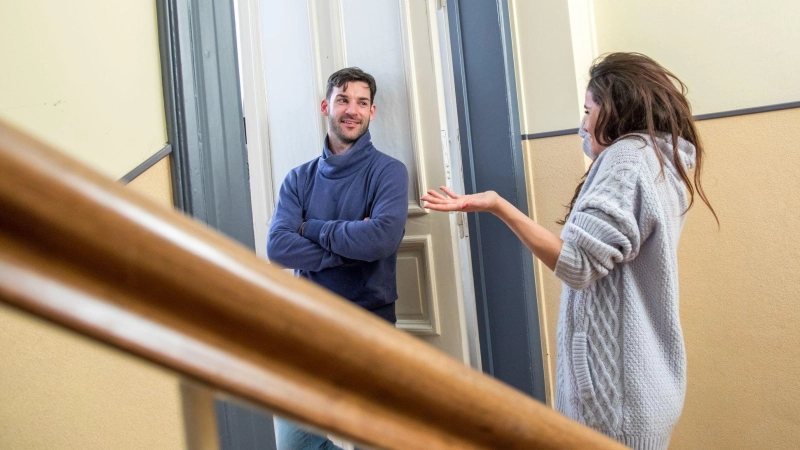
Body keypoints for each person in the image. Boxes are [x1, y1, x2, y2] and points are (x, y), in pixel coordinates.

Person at [422, 52, 717, 450]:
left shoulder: (627, 160)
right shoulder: (658, 159)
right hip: (640, 392)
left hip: (612, 407)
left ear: (616, 109)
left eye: (588, 109)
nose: (583, 122)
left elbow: (577, 264)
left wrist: (496, 204)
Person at [267, 67, 408, 450]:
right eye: (344, 100)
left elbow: (380, 239)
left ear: (372, 112)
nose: (352, 110)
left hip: (369, 323)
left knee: (373, 439)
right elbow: (278, 247)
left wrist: (311, 228)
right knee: (295, 443)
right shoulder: (298, 179)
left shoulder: (389, 172)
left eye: (362, 102)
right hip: (308, 321)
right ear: (326, 105)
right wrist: (349, 249)